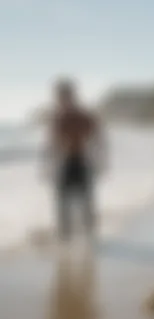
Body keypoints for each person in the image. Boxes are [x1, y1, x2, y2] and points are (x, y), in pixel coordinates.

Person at [44, 78, 106, 243]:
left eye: (62, 96)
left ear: (70, 96)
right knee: (64, 202)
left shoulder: (82, 116)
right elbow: (52, 144)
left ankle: (89, 237)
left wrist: (100, 160)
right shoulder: (59, 118)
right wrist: (49, 165)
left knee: (84, 201)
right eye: (59, 97)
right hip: (69, 161)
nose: (60, 100)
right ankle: (67, 238)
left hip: (80, 160)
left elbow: (99, 138)